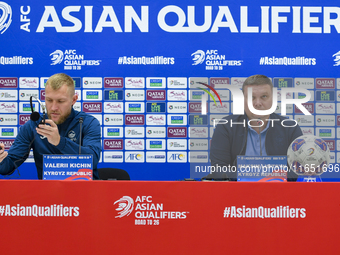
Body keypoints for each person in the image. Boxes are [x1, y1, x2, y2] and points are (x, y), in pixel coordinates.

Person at [0, 73, 101, 179]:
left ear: (74, 100)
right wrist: (1, 160)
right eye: (49, 100)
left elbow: (92, 160)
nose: (53, 107)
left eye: (60, 101)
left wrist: (59, 142)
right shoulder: (33, 125)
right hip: (48, 192)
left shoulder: (88, 123)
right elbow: (9, 166)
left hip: (84, 191)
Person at [209, 74, 303, 181]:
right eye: (251, 98)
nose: (257, 103)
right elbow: (218, 170)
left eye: (264, 96)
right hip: (237, 194)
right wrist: (264, 177)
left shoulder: (290, 128)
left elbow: (298, 170)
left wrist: (253, 176)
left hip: (280, 193)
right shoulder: (226, 126)